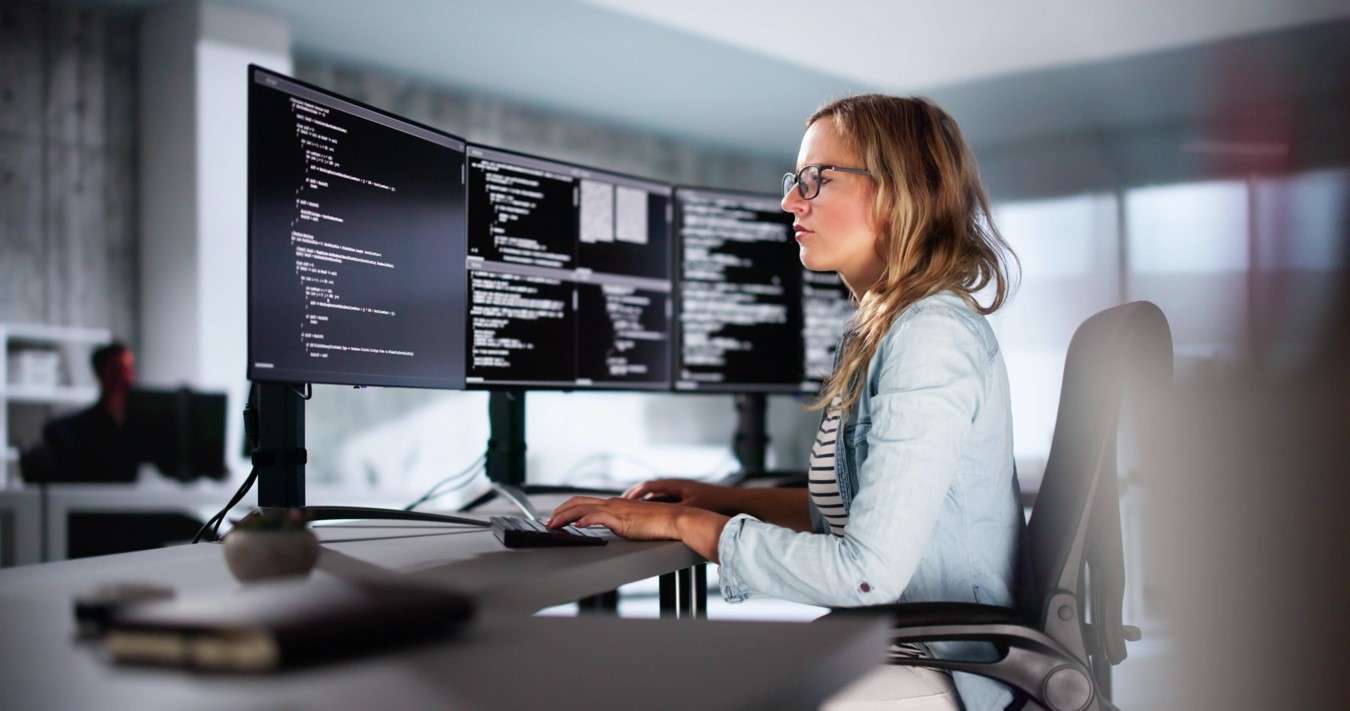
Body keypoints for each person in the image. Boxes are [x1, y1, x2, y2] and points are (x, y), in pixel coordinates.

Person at [548, 95, 1022, 709]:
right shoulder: (886, 328)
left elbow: (865, 572)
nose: (790, 202)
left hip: (949, 669)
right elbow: (853, 512)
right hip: (901, 645)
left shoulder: (930, 336)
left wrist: (685, 523)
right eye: (795, 181)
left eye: (817, 179)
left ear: (901, 191)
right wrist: (716, 499)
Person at [39, 341, 142, 483]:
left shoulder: (140, 425)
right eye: (118, 370)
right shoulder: (66, 431)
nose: (126, 377)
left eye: (129, 369)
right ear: (101, 373)